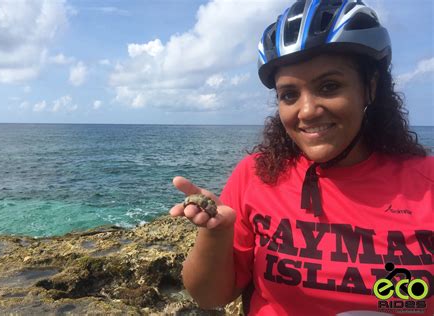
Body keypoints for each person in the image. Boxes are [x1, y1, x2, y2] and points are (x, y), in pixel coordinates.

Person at [169, 0, 433, 315]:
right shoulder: (257, 174)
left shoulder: (426, 183)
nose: (307, 111)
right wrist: (217, 234)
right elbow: (210, 297)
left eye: (329, 86)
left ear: (370, 88)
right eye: (289, 95)